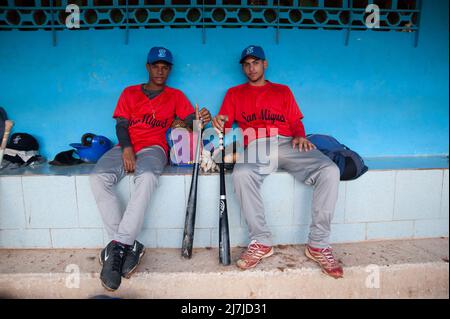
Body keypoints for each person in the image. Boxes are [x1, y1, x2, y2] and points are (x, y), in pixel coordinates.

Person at [212, 45, 343, 279]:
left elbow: (295, 121)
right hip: (257, 145)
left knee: (329, 170)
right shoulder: (234, 93)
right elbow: (224, 123)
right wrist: (219, 121)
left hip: (287, 142)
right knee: (241, 173)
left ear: (265, 64)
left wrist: (300, 136)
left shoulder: (282, 91)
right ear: (243, 67)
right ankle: (261, 241)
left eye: (256, 62)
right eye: (247, 64)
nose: (251, 68)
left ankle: (318, 244)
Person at [90, 47, 211, 291]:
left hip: (154, 149)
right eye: (156, 65)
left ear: (170, 70)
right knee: (98, 177)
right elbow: (121, 124)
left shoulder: (175, 95)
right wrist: (126, 149)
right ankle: (126, 245)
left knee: (145, 177)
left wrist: (199, 118)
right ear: (147, 67)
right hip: (125, 146)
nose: (160, 70)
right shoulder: (130, 92)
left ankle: (117, 249)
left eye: (165, 67)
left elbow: (189, 119)